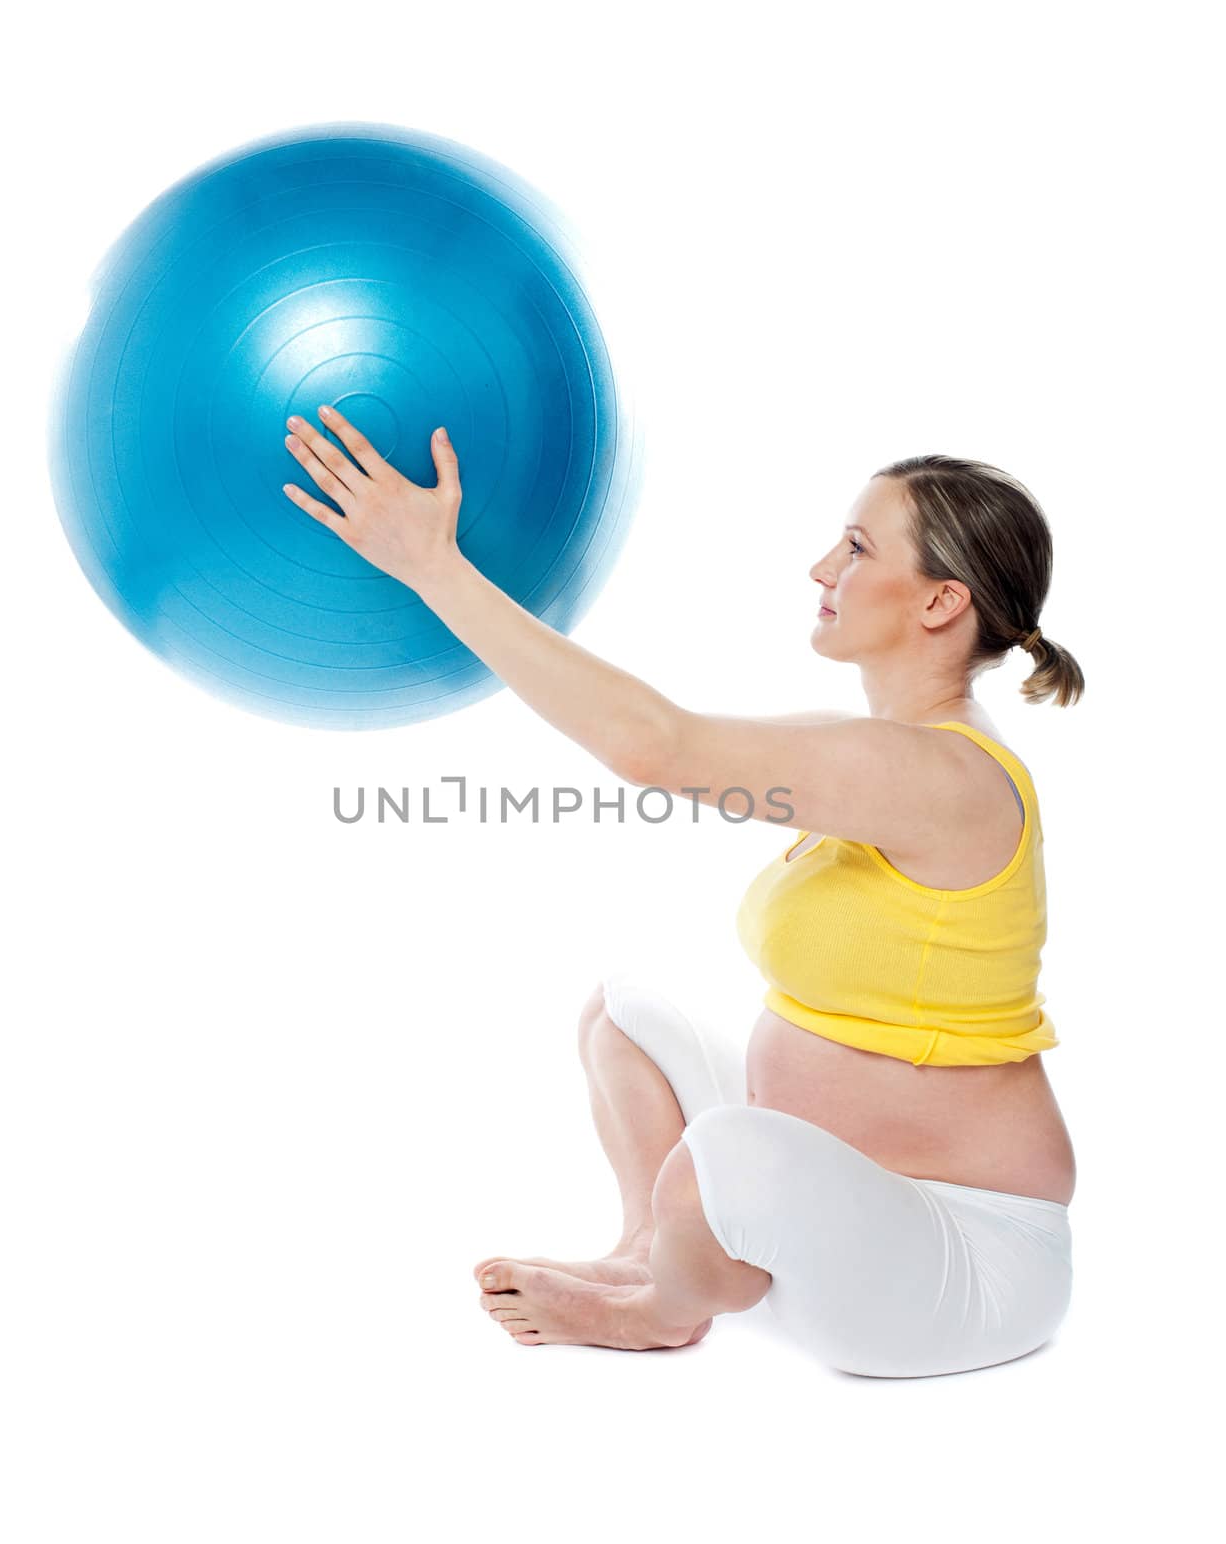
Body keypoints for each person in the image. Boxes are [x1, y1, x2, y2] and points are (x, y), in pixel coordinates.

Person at [282, 409, 1085, 1377]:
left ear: (939, 602)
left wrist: (433, 565)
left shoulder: (941, 778)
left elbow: (652, 746)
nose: (821, 566)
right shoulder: (870, 753)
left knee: (732, 1149)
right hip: (829, 1203)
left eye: (858, 546)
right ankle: (650, 1248)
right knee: (622, 1013)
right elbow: (673, 735)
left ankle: (666, 1303)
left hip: (957, 1258)